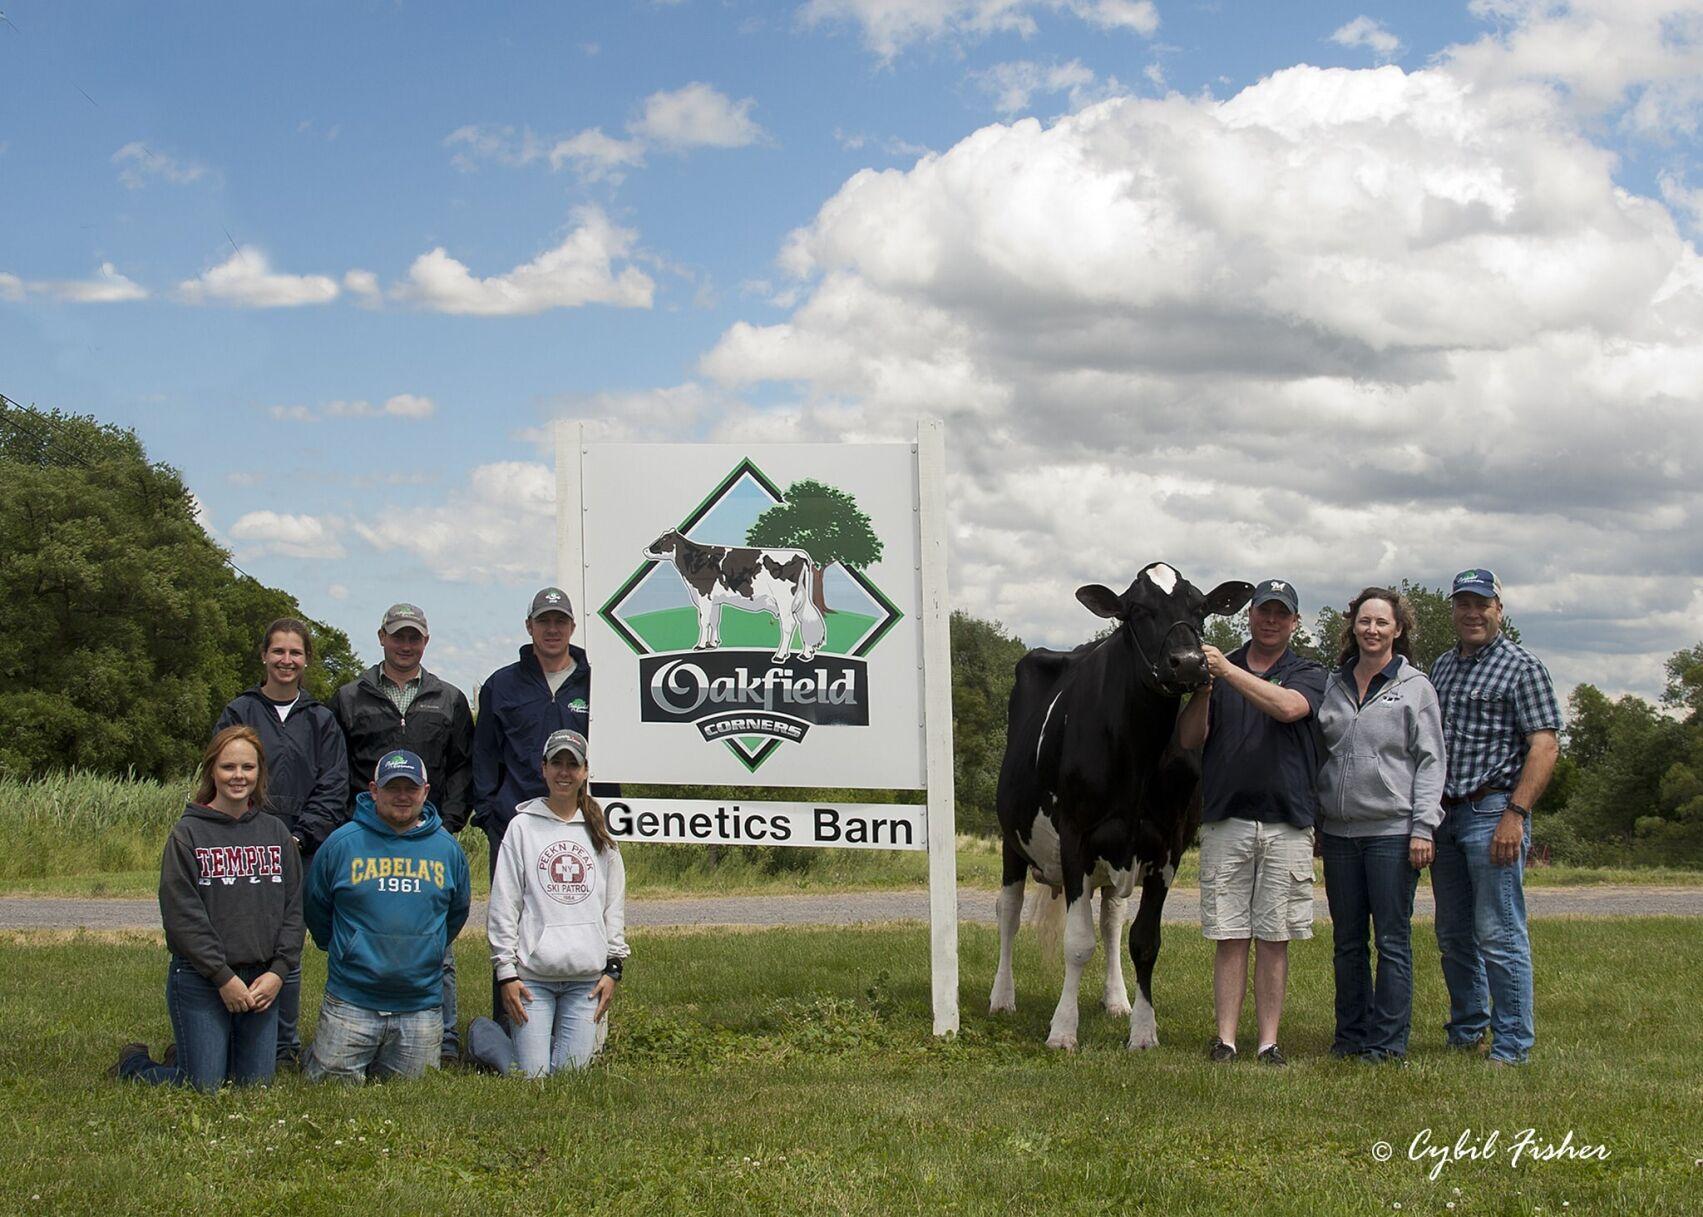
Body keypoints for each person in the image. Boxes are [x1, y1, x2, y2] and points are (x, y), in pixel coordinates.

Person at [1177, 578, 1327, 1066]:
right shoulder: (1219, 671)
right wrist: (1204, 690)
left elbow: (1289, 708)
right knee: (1230, 934)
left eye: (1282, 613)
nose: (1271, 620)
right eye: (1265, 611)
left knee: (1275, 936)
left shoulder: (1308, 672)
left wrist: (1227, 671)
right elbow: (1189, 738)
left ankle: (1268, 1042)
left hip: (1288, 821)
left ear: (1295, 622)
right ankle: (1226, 1040)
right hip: (1227, 819)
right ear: (1251, 615)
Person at [114, 726, 303, 1091]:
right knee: (204, 1086)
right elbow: (182, 918)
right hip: (202, 978)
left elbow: (294, 909)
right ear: (212, 771)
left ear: (260, 772)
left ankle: (189, 1054)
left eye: (248, 767)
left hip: (261, 979)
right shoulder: (188, 834)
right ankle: (134, 1064)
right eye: (228, 766)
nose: (238, 776)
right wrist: (222, 977)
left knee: (254, 1087)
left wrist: (278, 973)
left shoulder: (276, 833)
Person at [330, 602, 474, 1065]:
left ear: (425, 641)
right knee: (370, 931)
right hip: (366, 834)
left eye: (414, 637)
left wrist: (447, 825)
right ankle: (360, 1025)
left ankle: (444, 1040)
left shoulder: (448, 698)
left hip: (428, 834)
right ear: (382, 637)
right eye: (398, 636)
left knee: (436, 943)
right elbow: (337, 766)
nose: (406, 645)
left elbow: (462, 767)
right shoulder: (349, 697)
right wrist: (351, 825)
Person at [1428, 568, 1560, 1066]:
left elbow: (1544, 746)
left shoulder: (1522, 667)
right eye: (1463, 604)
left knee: (1499, 932)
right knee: (1453, 934)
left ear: (1499, 610)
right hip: (1446, 815)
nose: (1472, 613)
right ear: (1453, 610)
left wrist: (1516, 814)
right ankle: (1467, 1030)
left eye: (1481, 604)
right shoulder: (1442, 667)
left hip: (1493, 811)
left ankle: (1512, 1045)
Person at [1315, 587, 1446, 1063]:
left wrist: (1423, 827)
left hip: (1393, 833)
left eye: (1382, 622)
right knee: (1347, 943)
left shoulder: (1416, 687)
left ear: (1398, 629)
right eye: (1364, 621)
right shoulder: (1331, 684)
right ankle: (1350, 1037)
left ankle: (1387, 1043)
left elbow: (1431, 761)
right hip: (1339, 834)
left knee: (1392, 941)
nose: (1372, 630)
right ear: (1352, 627)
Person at [214, 616, 348, 1069]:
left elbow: (333, 786)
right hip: (243, 846)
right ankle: (231, 1030)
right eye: (278, 651)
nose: (286, 660)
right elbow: (228, 774)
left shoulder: (321, 720)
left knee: (287, 948)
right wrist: (256, 834)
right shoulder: (240, 712)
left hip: (301, 850)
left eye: (295, 652)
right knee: (241, 938)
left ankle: (283, 1045)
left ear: (307, 660)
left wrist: (298, 836)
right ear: (264, 656)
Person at [302, 750, 471, 1083]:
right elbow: (316, 907)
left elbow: (456, 913)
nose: (402, 796)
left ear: (425, 791)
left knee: (412, 1101)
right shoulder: (341, 844)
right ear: (374, 790)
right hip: (351, 1001)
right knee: (330, 1092)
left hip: (420, 1005)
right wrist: (347, 947)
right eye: (393, 787)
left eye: (411, 788)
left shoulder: (447, 850)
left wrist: (428, 947)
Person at [472, 587, 591, 1025]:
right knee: (511, 925)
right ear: (529, 627)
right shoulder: (502, 684)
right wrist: (491, 813)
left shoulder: (594, 681)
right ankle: (510, 1026)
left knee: (579, 921)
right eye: (544, 621)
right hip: (514, 824)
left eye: (560, 621)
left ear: (572, 627)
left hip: (579, 825)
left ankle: (576, 1027)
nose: (552, 629)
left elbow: (612, 750)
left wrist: (602, 816)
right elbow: (484, 754)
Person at [479, 729, 627, 1076]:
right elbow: (504, 904)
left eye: (572, 765)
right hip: (532, 979)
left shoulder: (600, 831)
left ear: (585, 771)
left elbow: (614, 906)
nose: (564, 772)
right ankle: (483, 1035)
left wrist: (613, 969)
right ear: (543, 768)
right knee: (533, 1078)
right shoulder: (521, 827)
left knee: (570, 1078)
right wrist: (505, 973)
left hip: (586, 981)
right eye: (556, 763)